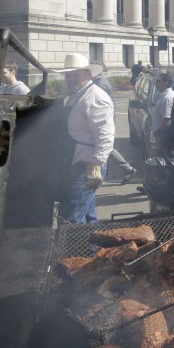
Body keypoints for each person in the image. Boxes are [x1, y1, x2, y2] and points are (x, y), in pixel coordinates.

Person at [57, 53, 115, 224]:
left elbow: (105, 135)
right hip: (77, 163)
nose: (71, 78)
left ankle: (71, 250)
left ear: (88, 74)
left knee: (71, 217)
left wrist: (95, 166)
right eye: (69, 74)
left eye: (76, 74)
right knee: (88, 215)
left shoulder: (95, 97)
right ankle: (91, 250)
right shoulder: (78, 94)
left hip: (87, 166)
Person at [91, 64, 137, 184]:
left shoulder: (100, 85)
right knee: (106, 147)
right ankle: (126, 169)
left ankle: (125, 169)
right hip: (107, 119)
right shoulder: (102, 82)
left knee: (105, 147)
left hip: (104, 120)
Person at [151, 71, 174, 151]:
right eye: (156, 81)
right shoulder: (164, 96)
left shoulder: (167, 98)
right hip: (161, 133)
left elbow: (167, 119)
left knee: (164, 157)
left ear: (166, 83)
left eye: (158, 81)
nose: (156, 83)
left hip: (164, 134)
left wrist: (159, 135)